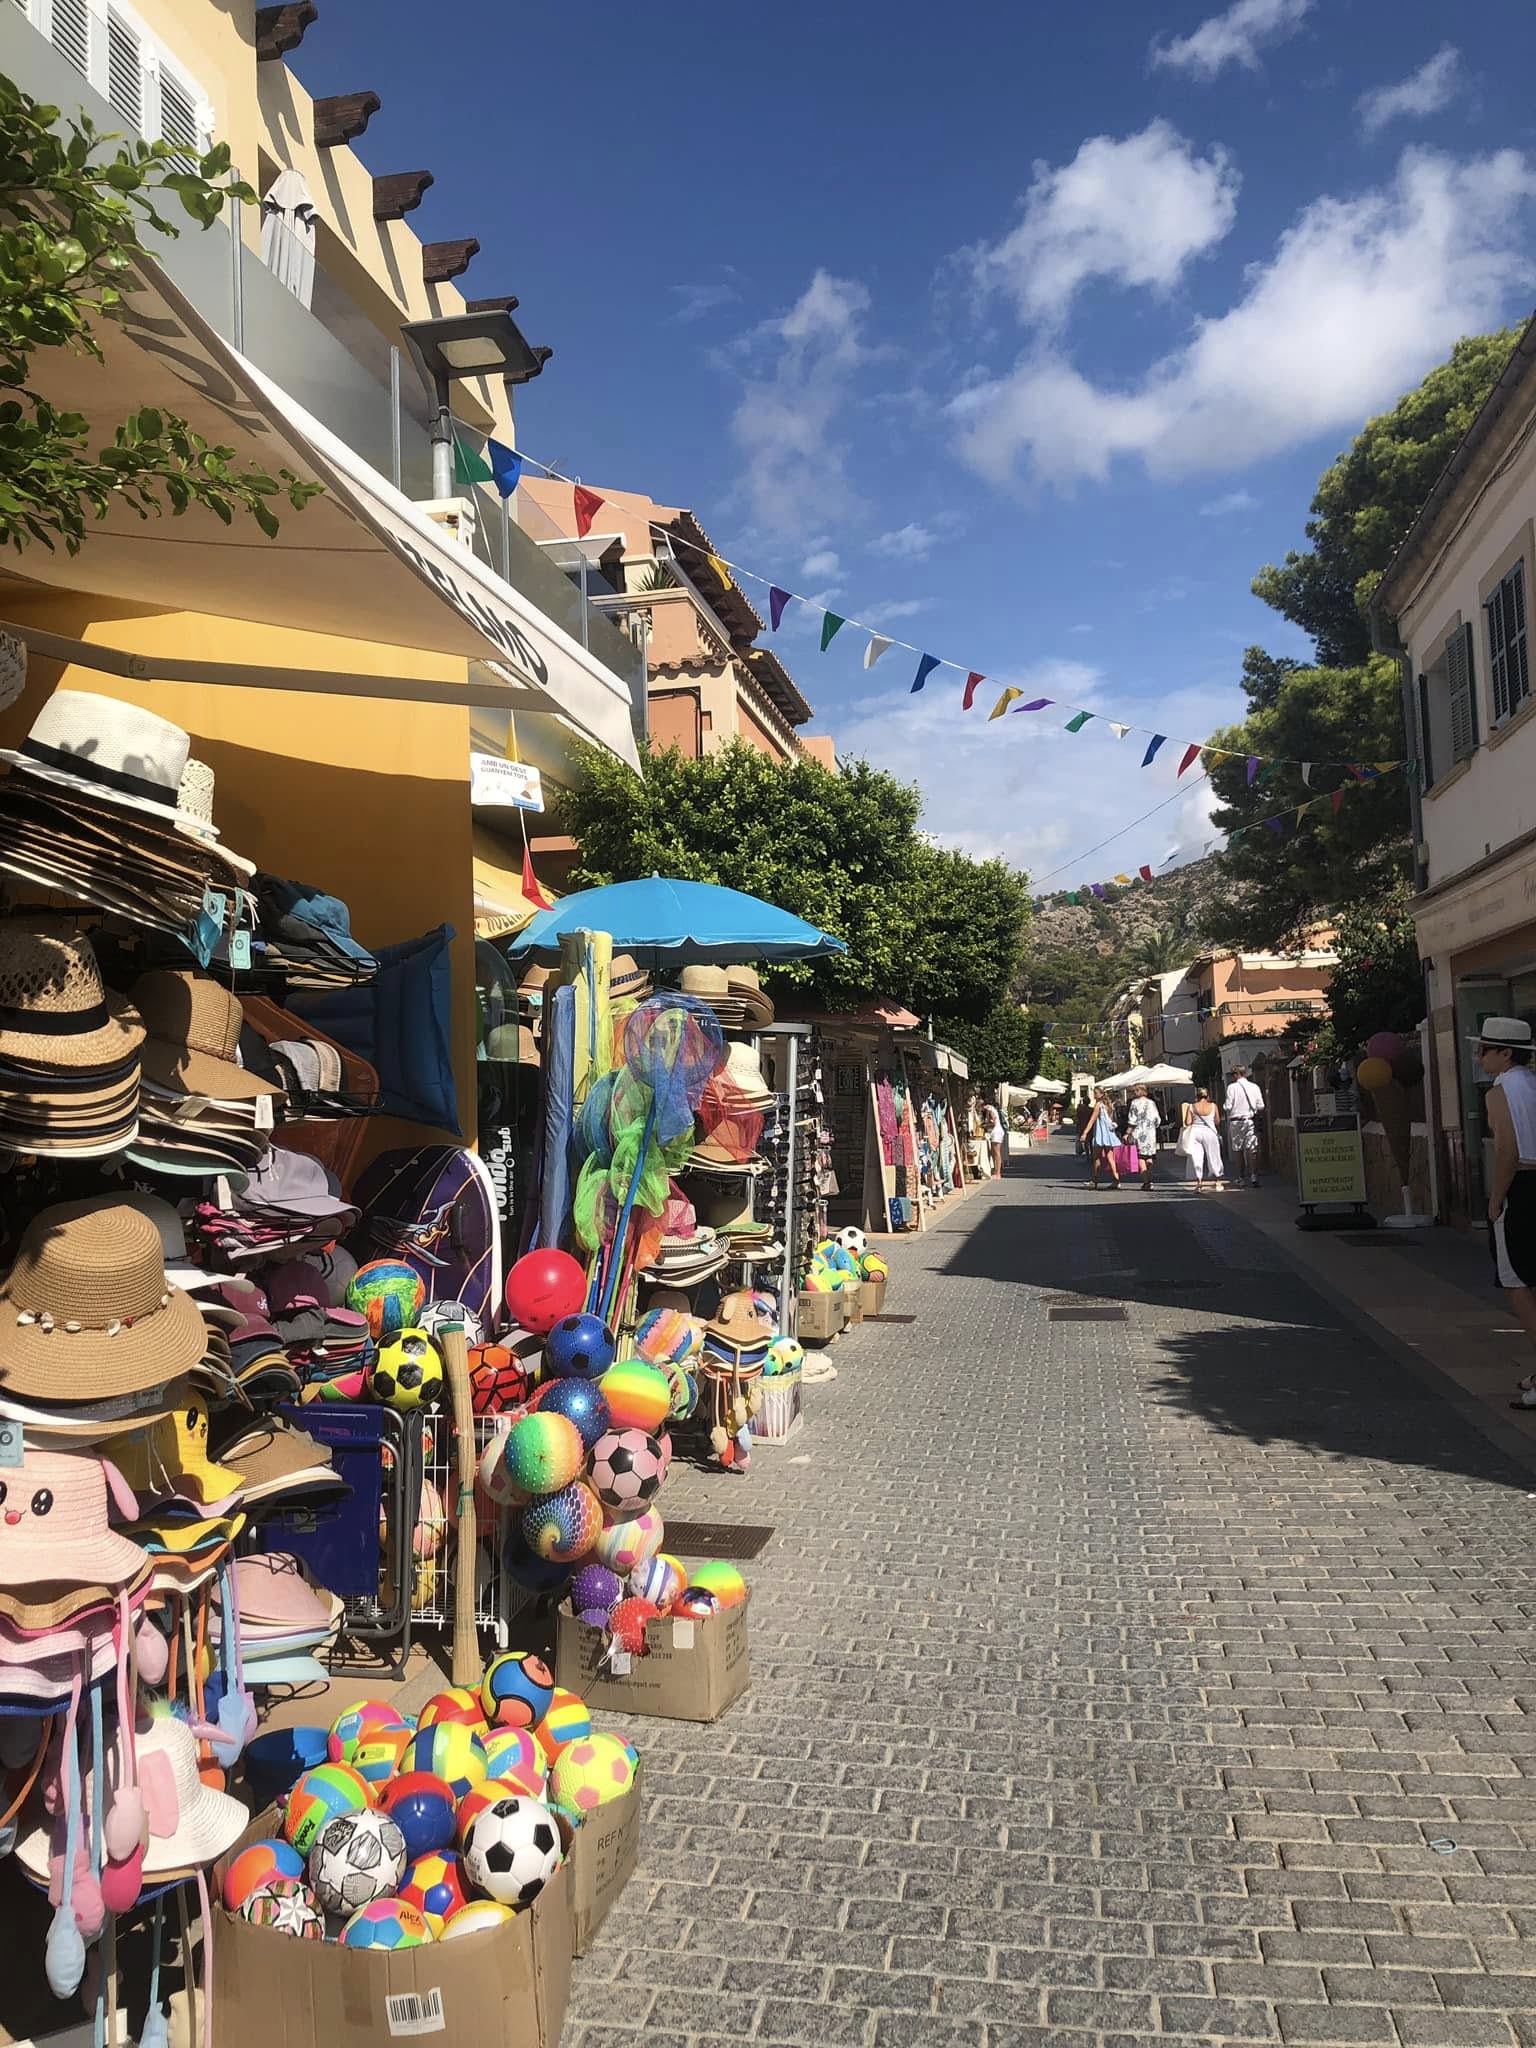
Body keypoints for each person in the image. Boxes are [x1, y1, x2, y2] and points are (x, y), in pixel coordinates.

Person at [1476, 1017, 1536, 1408]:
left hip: (1523, 1187)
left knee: (1518, 1284)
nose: (1480, 1057)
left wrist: (1496, 1198)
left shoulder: (1499, 1093)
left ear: (1506, 1054)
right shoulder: (1531, 1085)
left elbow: (1507, 1152)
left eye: (1486, 1050)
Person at [1224, 1064, 1266, 1188]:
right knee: (1252, 1148)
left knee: (1238, 1150)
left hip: (1237, 1121)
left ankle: (1241, 1177)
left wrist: (1225, 1106)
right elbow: (1261, 1106)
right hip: (1251, 1121)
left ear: (1236, 1074)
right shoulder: (1254, 1087)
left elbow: (1228, 1106)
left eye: (1233, 1075)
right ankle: (1254, 1176)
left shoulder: (1232, 1087)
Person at [1181, 1085, 1224, 1188]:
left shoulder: (1191, 1106)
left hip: (1195, 1132)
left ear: (1197, 1096)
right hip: (1210, 1132)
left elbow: (1187, 1122)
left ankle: (1199, 1181)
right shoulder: (1213, 1106)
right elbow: (1217, 1121)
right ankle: (1218, 1179)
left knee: (1197, 1157)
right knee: (1214, 1155)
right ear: (1207, 1095)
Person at [1126, 1083, 1160, 1192]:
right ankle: (1150, 1179)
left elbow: (1132, 1120)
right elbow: (1157, 1120)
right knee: (1149, 1156)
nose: (1133, 1093)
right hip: (1150, 1132)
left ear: (1139, 1091)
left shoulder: (1134, 1103)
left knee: (1140, 1157)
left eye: (1135, 1091)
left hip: (1139, 1132)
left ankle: (1146, 1182)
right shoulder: (1152, 1103)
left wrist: (1127, 1133)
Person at [1087, 1089, 1121, 1189]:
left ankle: (1094, 1180)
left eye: (1095, 1093)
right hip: (1109, 1134)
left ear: (1101, 1094)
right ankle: (1116, 1180)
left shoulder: (1098, 1105)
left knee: (1096, 1158)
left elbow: (1092, 1120)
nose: (1094, 1095)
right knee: (1110, 1158)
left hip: (1100, 1134)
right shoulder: (1109, 1105)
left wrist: (1085, 1133)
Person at [981, 1098, 1005, 1179]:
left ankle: (998, 1173)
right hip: (996, 1132)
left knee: (996, 1152)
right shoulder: (992, 1110)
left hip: (996, 1132)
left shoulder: (990, 1110)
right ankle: (996, 1171)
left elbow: (993, 1123)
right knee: (994, 1153)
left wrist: (984, 1126)